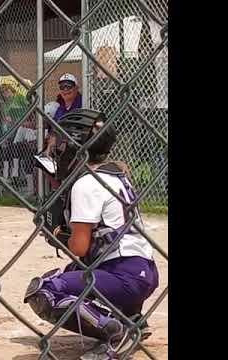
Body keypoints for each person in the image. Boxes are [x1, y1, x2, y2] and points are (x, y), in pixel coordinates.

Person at [24, 109, 158, 359]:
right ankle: (132, 317)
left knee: (45, 291)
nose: (59, 152)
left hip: (125, 275)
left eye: (63, 145)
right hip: (144, 269)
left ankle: (117, 332)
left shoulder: (86, 183)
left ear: (78, 147)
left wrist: (57, 234)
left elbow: (79, 249)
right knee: (71, 274)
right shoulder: (115, 174)